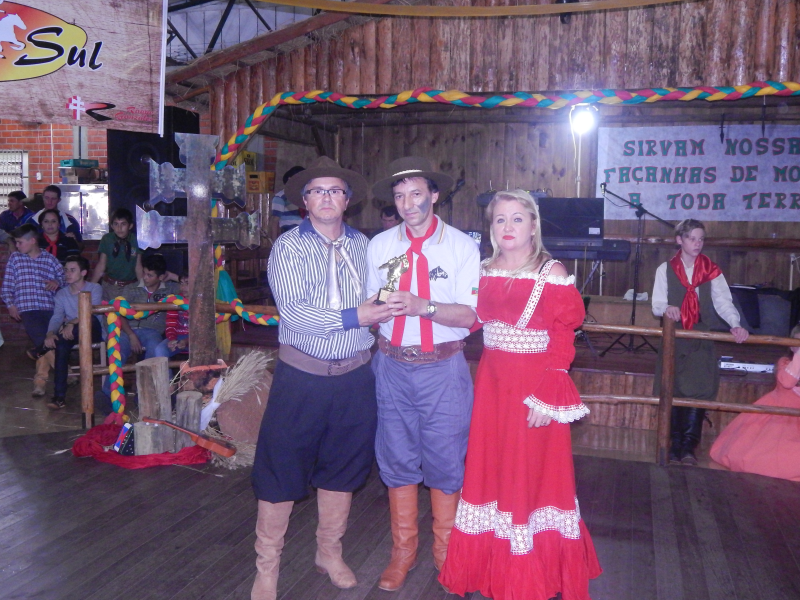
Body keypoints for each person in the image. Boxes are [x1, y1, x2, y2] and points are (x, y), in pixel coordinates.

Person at [438, 190, 602, 600]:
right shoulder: (484, 269)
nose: (508, 227)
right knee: (491, 469)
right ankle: (488, 567)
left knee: (531, 473)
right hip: (493, 385)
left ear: (533, 225)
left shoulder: (552, 272)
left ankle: (532, 572)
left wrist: (549, 395)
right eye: (500, 219)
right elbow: (472, 319)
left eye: (516, 219)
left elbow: (563, 337)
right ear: (491, 228)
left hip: (533, 389)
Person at [250, 156, 393, 600]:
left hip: (355, 377)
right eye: (317, 191)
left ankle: (328, 552)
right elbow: (296, 314)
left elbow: (380, 296)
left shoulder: (365, 246)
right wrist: (358, 315)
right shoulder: (288, 248)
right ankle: (267, 567)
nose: (326, 198)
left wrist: (390, 305)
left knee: (344, 467)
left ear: (347, 201)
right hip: (302, 376)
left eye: (335, 191)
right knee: (279, 470)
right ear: (305, 201)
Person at [366, 156, 480, 591]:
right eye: (399, 196)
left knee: (446, 461)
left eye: (416, 193)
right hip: (391, 366)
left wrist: (422, 306)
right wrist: (378, 308)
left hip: (443, 368)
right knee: (395, 460)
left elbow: (471, 315)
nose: (408, 204)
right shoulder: (380, 246)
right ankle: (403, 554)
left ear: (434, 195)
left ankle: (446, 556)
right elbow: (371, 304)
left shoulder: (462, 247)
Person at [652, 218, 749, 465]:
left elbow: (723, 302)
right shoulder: (665, 269)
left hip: (700, 336)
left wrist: (735, 324)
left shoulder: (711, 270)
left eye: (701, 239)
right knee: (672, 388)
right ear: (679, 240)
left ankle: (688, 446)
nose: (697, 243)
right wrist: (668, 308)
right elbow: (657, 304)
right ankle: (672, 443)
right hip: (675, 338)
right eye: (692, 238)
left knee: (698, 389)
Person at [709, 324, 800, 481]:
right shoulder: (784, 362)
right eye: (797, 342)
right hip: (779, 414)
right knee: (763, 459)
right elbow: (787, 382)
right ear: (791, 345)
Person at [1, 224, 64, 396]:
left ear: (33, 241)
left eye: (20, 242)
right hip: (28, 309)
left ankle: (39, 384)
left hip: (49, 308)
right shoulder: (15, 259)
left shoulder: (49, 259)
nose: (17, 246)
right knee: (43, 341)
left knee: (44, 345)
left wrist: (57, 282)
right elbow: (7, 286)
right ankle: (67, 373)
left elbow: (65, 278)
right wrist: (11, 305)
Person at [37, 256, 103, 410]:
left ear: (83, 272)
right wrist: (50, 333)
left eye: (72, 270)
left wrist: (72, 323)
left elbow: (91, 311)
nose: (67, 274)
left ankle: (39, 349)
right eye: (66, 270)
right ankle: (59, 397)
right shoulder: (62, 294)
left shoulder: (94, 288)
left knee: (90, 320)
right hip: (71, 333)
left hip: (93, 330)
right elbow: (57, 317)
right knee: (61, 346)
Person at [91, 208, 142, 301]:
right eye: (116, 224)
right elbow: (101, 265)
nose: (119, 228)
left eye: (123, 224)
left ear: (130, 225)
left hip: (130, 286)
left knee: (128, 309)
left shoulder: (136, 240)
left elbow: (138, 266)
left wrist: (144, 287)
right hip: (109, 286)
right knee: (108, 310)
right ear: (112, 226)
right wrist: (90, 287)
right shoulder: (107, 239)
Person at [154, 272, 190, 359]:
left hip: (198, 338)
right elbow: (171, 325)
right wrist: (172, 339)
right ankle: (164, 369)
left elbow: (203, 331)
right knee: (160, 349)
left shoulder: (203, 301)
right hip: (178, 337)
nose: (183, 287)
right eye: (181, 283)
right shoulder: (176, 300)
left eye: (187, 283)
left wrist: (186, 341)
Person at [271, 165, 305, 234]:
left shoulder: (306, 195)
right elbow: (275, 221)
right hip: (290, 233)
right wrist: (274, 240)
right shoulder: (280, 197)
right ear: (290, 179)